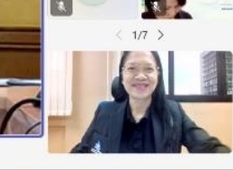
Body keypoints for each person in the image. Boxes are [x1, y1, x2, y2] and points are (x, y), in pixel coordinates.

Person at [71, 51, 230, 153]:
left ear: (158, 76)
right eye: (132, 68)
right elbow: (83, 150)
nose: (141, 76)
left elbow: (206, 146)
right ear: (122, 76)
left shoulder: (173, 113)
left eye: (148, 69)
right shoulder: (104, 111)